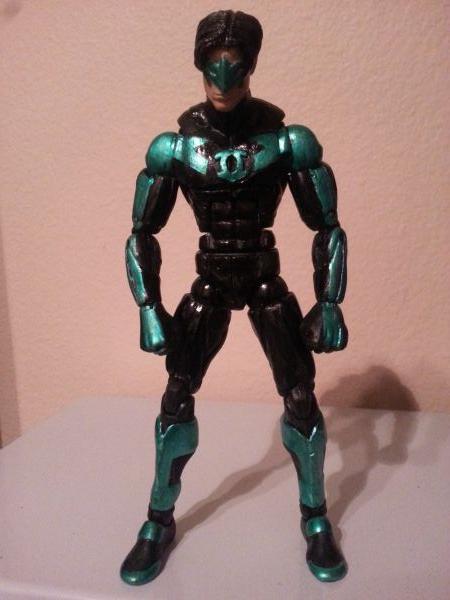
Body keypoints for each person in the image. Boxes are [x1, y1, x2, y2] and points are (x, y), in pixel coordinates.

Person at [122, 9, 348, 585]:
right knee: (177, 396)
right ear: (200, 67)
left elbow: (327, 226)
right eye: (213, 69)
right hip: (211, 281)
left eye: (236, 68)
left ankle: (315, 516)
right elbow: (142, 233)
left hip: (265, 278)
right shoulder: (176, 148)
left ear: (251, 68)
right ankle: (158, 519)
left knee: (300, 396)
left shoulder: (286, 141)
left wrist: (329, 302)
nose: (223, 82)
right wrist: (148, 309)